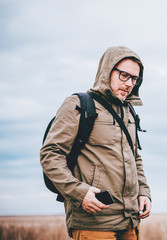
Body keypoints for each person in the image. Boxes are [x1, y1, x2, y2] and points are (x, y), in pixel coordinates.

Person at [40, 46, 151, 240]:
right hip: (94, 222)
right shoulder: (79, 104)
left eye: (135, 79)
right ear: (107, 71)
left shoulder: (129, 111)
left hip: (130, 220)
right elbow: (50, 154)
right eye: (124, 75)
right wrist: (80, 192)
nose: (129, 84)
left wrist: (144, 192)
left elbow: (135, 158)